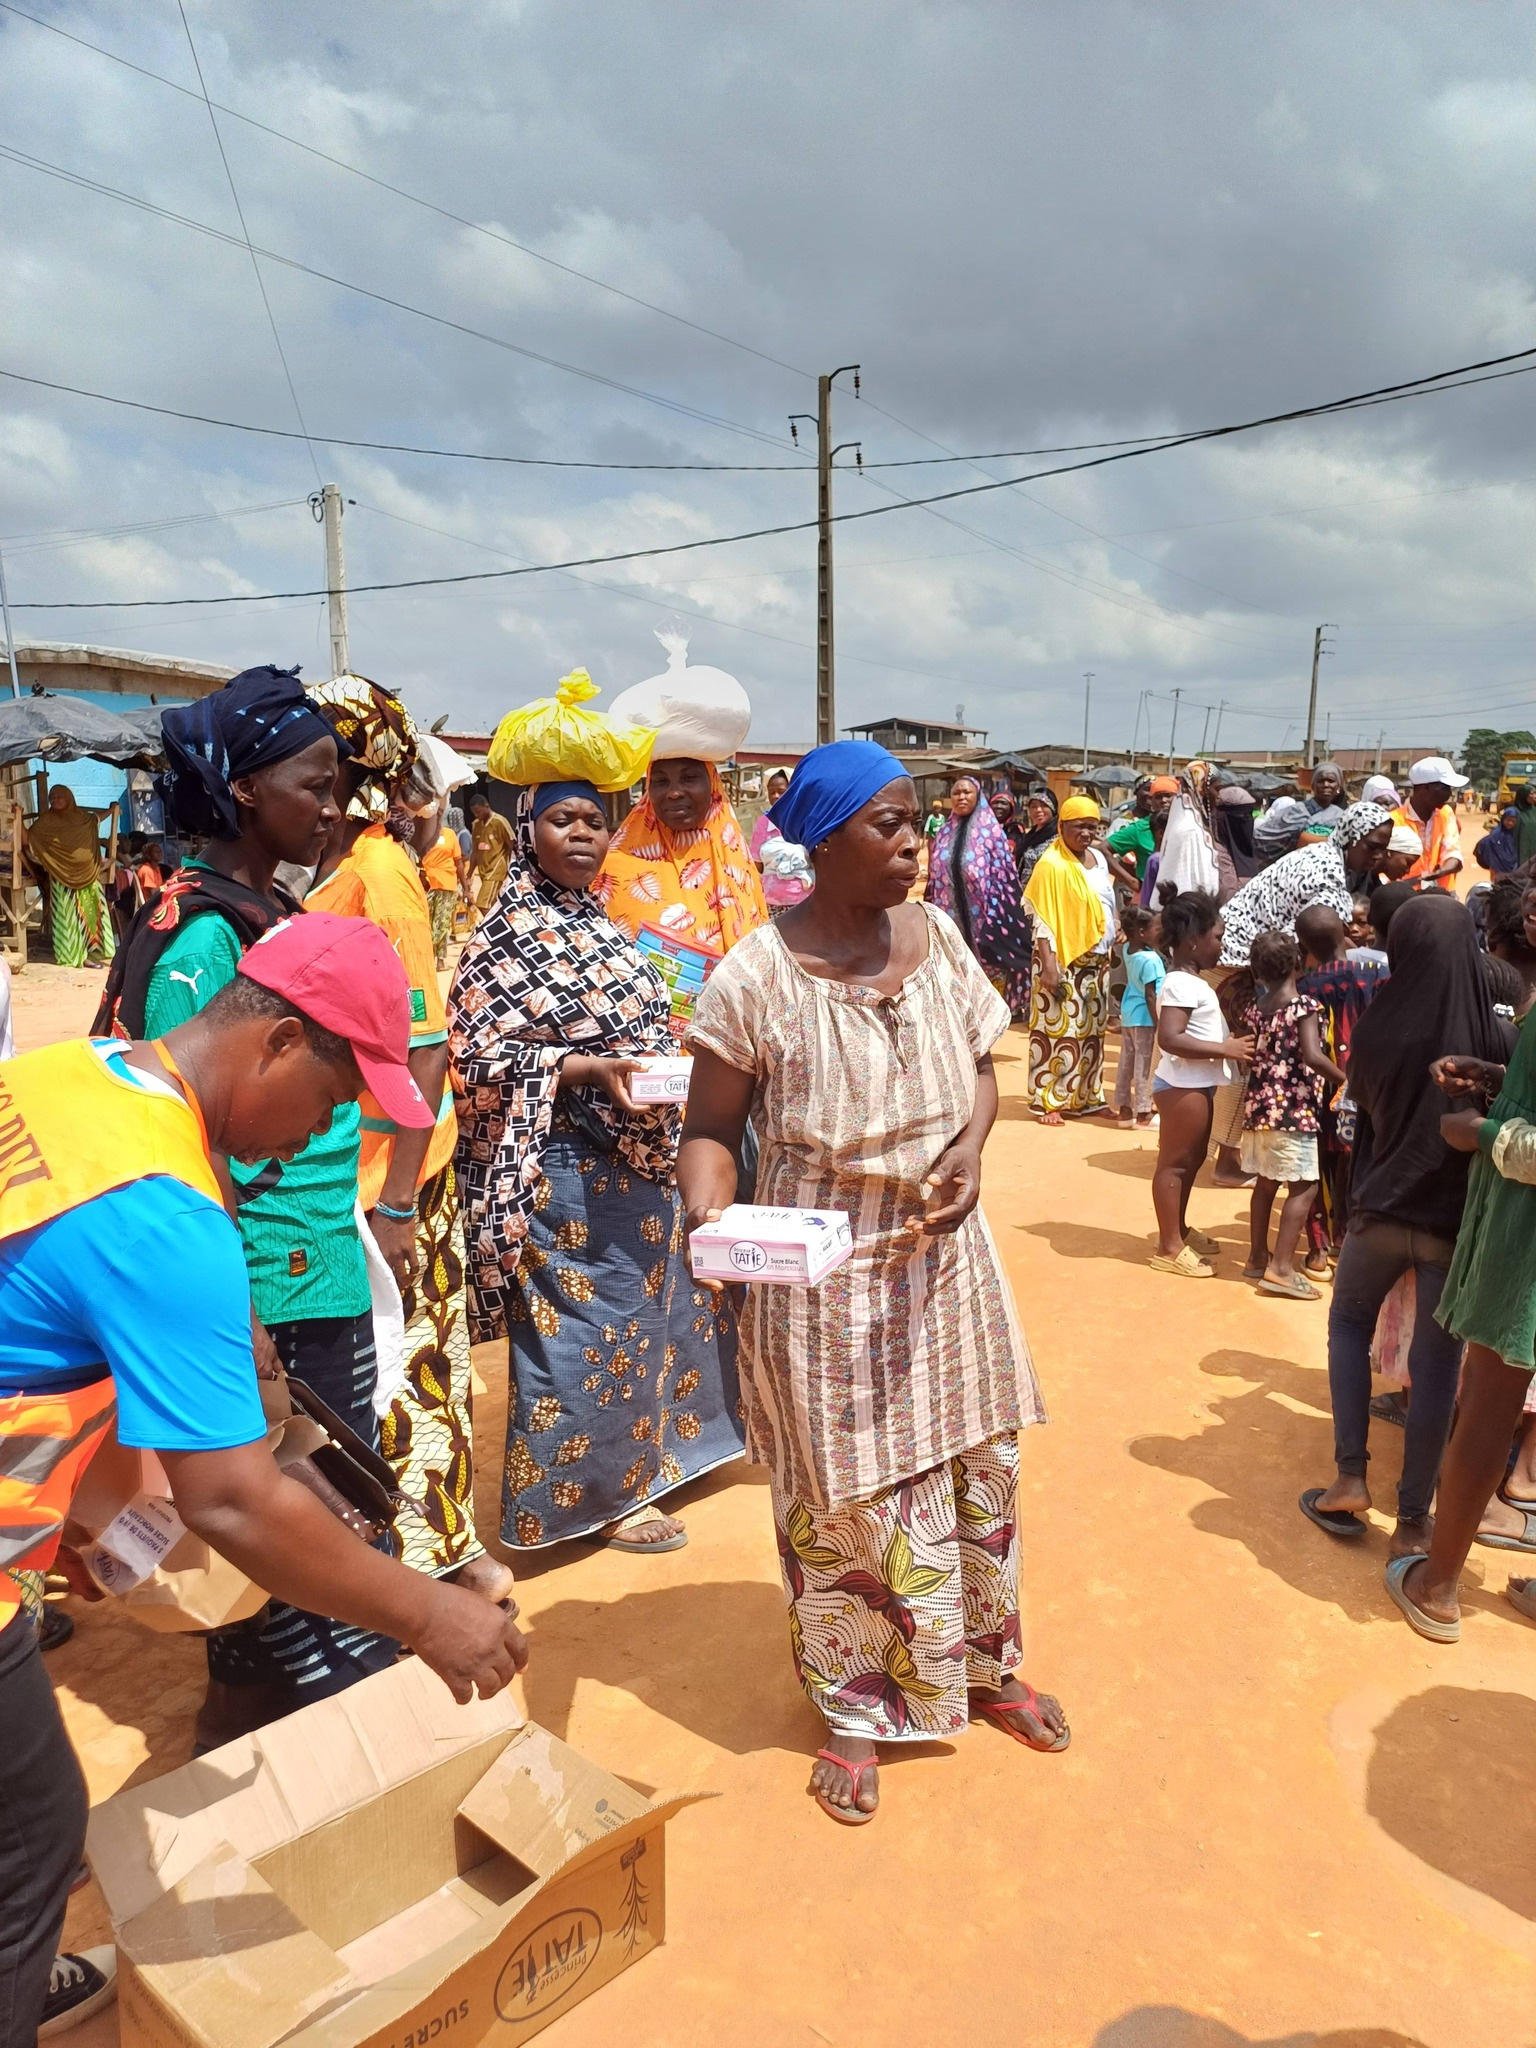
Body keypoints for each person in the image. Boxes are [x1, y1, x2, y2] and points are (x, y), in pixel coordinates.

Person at [0, 914, 528, 2044]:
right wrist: (429, 1612)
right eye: (334, 1100)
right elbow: (232, 1500)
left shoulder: (81, 1074)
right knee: (33, 1834)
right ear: (280, 1040)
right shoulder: (164, 1218)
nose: (325, 1131)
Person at [677, 740, 1062, 1826]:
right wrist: (712, 1221)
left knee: (977, 1470)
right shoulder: (755, 977)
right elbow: (709, 1132)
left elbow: (980, 1072)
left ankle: (984, 1664)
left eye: (917, 824)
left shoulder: (938, 938)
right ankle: (858, 1706)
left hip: (947, 1261)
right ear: (821, 839)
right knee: (845, 1491)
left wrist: (970, 1150)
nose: (912, 845)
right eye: (886, 825)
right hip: (822, 1278)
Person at [95, 665, 430, 1747]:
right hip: (266, 1273)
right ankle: (344, 1742)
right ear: (243, 787)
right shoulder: (205, 935)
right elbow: (182, 1126)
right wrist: (241, 1311)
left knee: (291, 1515)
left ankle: (247, 1727)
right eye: (314, 785)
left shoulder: (262, 910)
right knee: (308, 1515)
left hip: (301, 1254)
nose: (333, 808)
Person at [449, 779, 744, 1557]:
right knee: (590, 1329)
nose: (582, 833)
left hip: (642, 1154)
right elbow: (473, 1061)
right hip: (561, 1168)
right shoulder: (502, 939)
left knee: (660, 1312)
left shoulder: (602, 924)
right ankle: (596, 1499)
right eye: (562, 819)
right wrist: (582, 1070)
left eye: (593, 820)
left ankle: (665, 1457)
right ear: (527, 833)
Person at [306, 676, 505, 1598]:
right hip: (343, 1161)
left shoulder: (380, 874)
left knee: (414, 1361)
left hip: (396, 1171)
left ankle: (442, 1553)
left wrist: (395, 1203)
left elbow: (425, 1046)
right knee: (375, 1361)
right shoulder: (328, 864)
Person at [1301, 893, 1510, 1567]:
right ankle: (1414, 1520)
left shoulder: (1377, 1028)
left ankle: (1349, 1479)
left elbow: (1365, 1114)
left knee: (1348, 1326)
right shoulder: (1496, 1039)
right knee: (1436, 1367)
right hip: (1451, 1225)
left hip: (1380, 1210)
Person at [1148, 893, 1255, 1277]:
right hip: (1182, 1087)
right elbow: (1170, 1038)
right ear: (1193, 941)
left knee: (1191, 1161)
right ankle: (1168, 1247)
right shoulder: (1180, 983)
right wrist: (1224, 1049)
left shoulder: (1191, 982)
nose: (1222, 945)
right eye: (1217, 937)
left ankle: (1178, 1230)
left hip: (1195, 1085)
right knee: (1174, 1165)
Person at [1237, 929, 1341, 1299]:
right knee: (1304, 1186)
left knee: (1265, 1183)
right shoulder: (1304, 1008)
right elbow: (1313, 1056)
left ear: (1257, 971)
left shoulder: (1256, 1010)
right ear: (1298, 962)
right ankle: (1280, 1269)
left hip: (1259, 1110)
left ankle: (1256, 1256)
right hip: (1292, 1112)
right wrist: (1347, 1081)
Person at [598, 755, 768, 953]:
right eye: (661, 781)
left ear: (713, 783)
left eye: (689, 778)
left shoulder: (738, 864)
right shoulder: (614, 869)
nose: (674, 793)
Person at [1295, 902, 1388, 1263]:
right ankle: (1348, 1239)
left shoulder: (1303, 989)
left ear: (1304, 946)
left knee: (1317, 1168)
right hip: (1366, 1091)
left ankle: (1318, 1249)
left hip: (1318, 1094)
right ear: (1346, 933)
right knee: (1360, 1162)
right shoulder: (1376, 977)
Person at [1023, 795, 1119, 1123]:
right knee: (1058, 1032)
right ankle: (1049, 1101)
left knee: (1092, 1031)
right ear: (1062, 826)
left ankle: (1088, 1097)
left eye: (1093, 827)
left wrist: (1115, 925)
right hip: (1061, 958)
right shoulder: (1051, 865)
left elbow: (1106, 899)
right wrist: (1049, 966)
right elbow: (1043, 919)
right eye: (1080, 826)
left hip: (1097, 959)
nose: (1087, 833)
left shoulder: (1097, 858)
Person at [1218, 802, 1395, 966]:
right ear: (1350, 837)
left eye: (1383, 849)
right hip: (1237, 956)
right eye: (1372, 847)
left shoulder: (1321, 853)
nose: (1378, 856)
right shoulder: (1327, 875)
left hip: (1234, 944)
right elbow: (1313, 941)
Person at [925, 773, 1035, 1019]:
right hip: (949, 920)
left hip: (986, 923)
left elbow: (1004, 877)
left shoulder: (991, 832)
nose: (961, 797)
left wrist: (999, 916)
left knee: (985, 991)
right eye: (956, 792)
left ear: (978, 796)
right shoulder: (944, 832)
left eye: (967, 792)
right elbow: (933, 877)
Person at [26, 787, 116, 968]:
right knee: (67, 917)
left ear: (68, 798)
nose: (55, 799)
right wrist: (16, 818)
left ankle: (92, 953)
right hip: (61, 875)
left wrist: (112, 809)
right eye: (52, 797)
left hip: (88, 875)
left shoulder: (83, 818)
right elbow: (29, 838)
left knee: (91, 913)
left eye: (59, 797)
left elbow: (96, 819)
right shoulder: (45, 822)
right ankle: (75, 956)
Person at [1115, 904, 1163, 1129]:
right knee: (1144, 1065)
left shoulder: (1128, 950)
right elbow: (1151, 995)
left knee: (1126, 1063)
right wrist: (1159, 1023)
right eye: (1156, 929)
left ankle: (1124, 1110)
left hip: (1129, 1015)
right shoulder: (1151, 960)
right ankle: (1143, 1113)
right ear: (1142, 932)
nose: (1160, 933)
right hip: (1145, 1018)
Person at [1392, 755, 1467, 889]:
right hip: (1405, 895)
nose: (1449, 794)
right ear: (1425, 788)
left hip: (1441, 894)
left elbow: (1452, 851)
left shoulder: (1445, 813)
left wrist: (1441, 871)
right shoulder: (1394, 820)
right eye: (1444, 788)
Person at [751, 770, 814, 916]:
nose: (776, 796)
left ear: (792, 791)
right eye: (771, 792)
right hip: (771, 902)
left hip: (802, 899)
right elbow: (757, 865)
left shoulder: (805, 821)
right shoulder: (763, 824)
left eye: (781, 791)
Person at [1106, 775, 1175, 889]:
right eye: (1157, 795)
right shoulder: (1133, 825)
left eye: (1168, 795)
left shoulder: (1182, 825)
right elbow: (1105, 850)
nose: (1163, 800)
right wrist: (1132, 881)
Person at [420, 807, 466, 967]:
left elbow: (458, 862)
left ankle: (439, 959)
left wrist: (466, 887)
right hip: (426, 883)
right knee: (427, 922)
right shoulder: (423, 834)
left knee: (442, 923)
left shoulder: (450, 835)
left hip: (447, 884)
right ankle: (428, 957)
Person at [468, 791, 516, 916]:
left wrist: (515, 869)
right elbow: (475, 852)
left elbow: (513, 845)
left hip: (496, 870)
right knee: (495, 905)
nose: (476, 815)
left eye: (478, 812)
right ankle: (504, 924)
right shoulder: (476, 825)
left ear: (487, 806)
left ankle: (496, 926)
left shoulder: (499, 821)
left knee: (483, 904)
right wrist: (469, 875)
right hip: (483, 872)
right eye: (474, 813)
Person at [1015, 789, 1059, 883]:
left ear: (1053, 808)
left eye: (1043, 805)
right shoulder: (1030, 835)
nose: (1038, 810)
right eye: (1033, 806)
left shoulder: (1058, 837)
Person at [1297, 761, 1347, 842]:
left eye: (1331, 781)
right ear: (1313, 786)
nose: (1326, 784)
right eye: (1320, 781)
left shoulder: (1343, 816)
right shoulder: (1296, 811)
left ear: (1338, 787)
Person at [1475, 805, 1522, 877]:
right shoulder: (1496, 835)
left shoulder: (1518, 834)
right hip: (1497, 872)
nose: (1510, 823)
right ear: (1503, 819)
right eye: (1508, 820)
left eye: (1513, 821)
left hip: (1514, 872)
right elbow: (1485, 850)